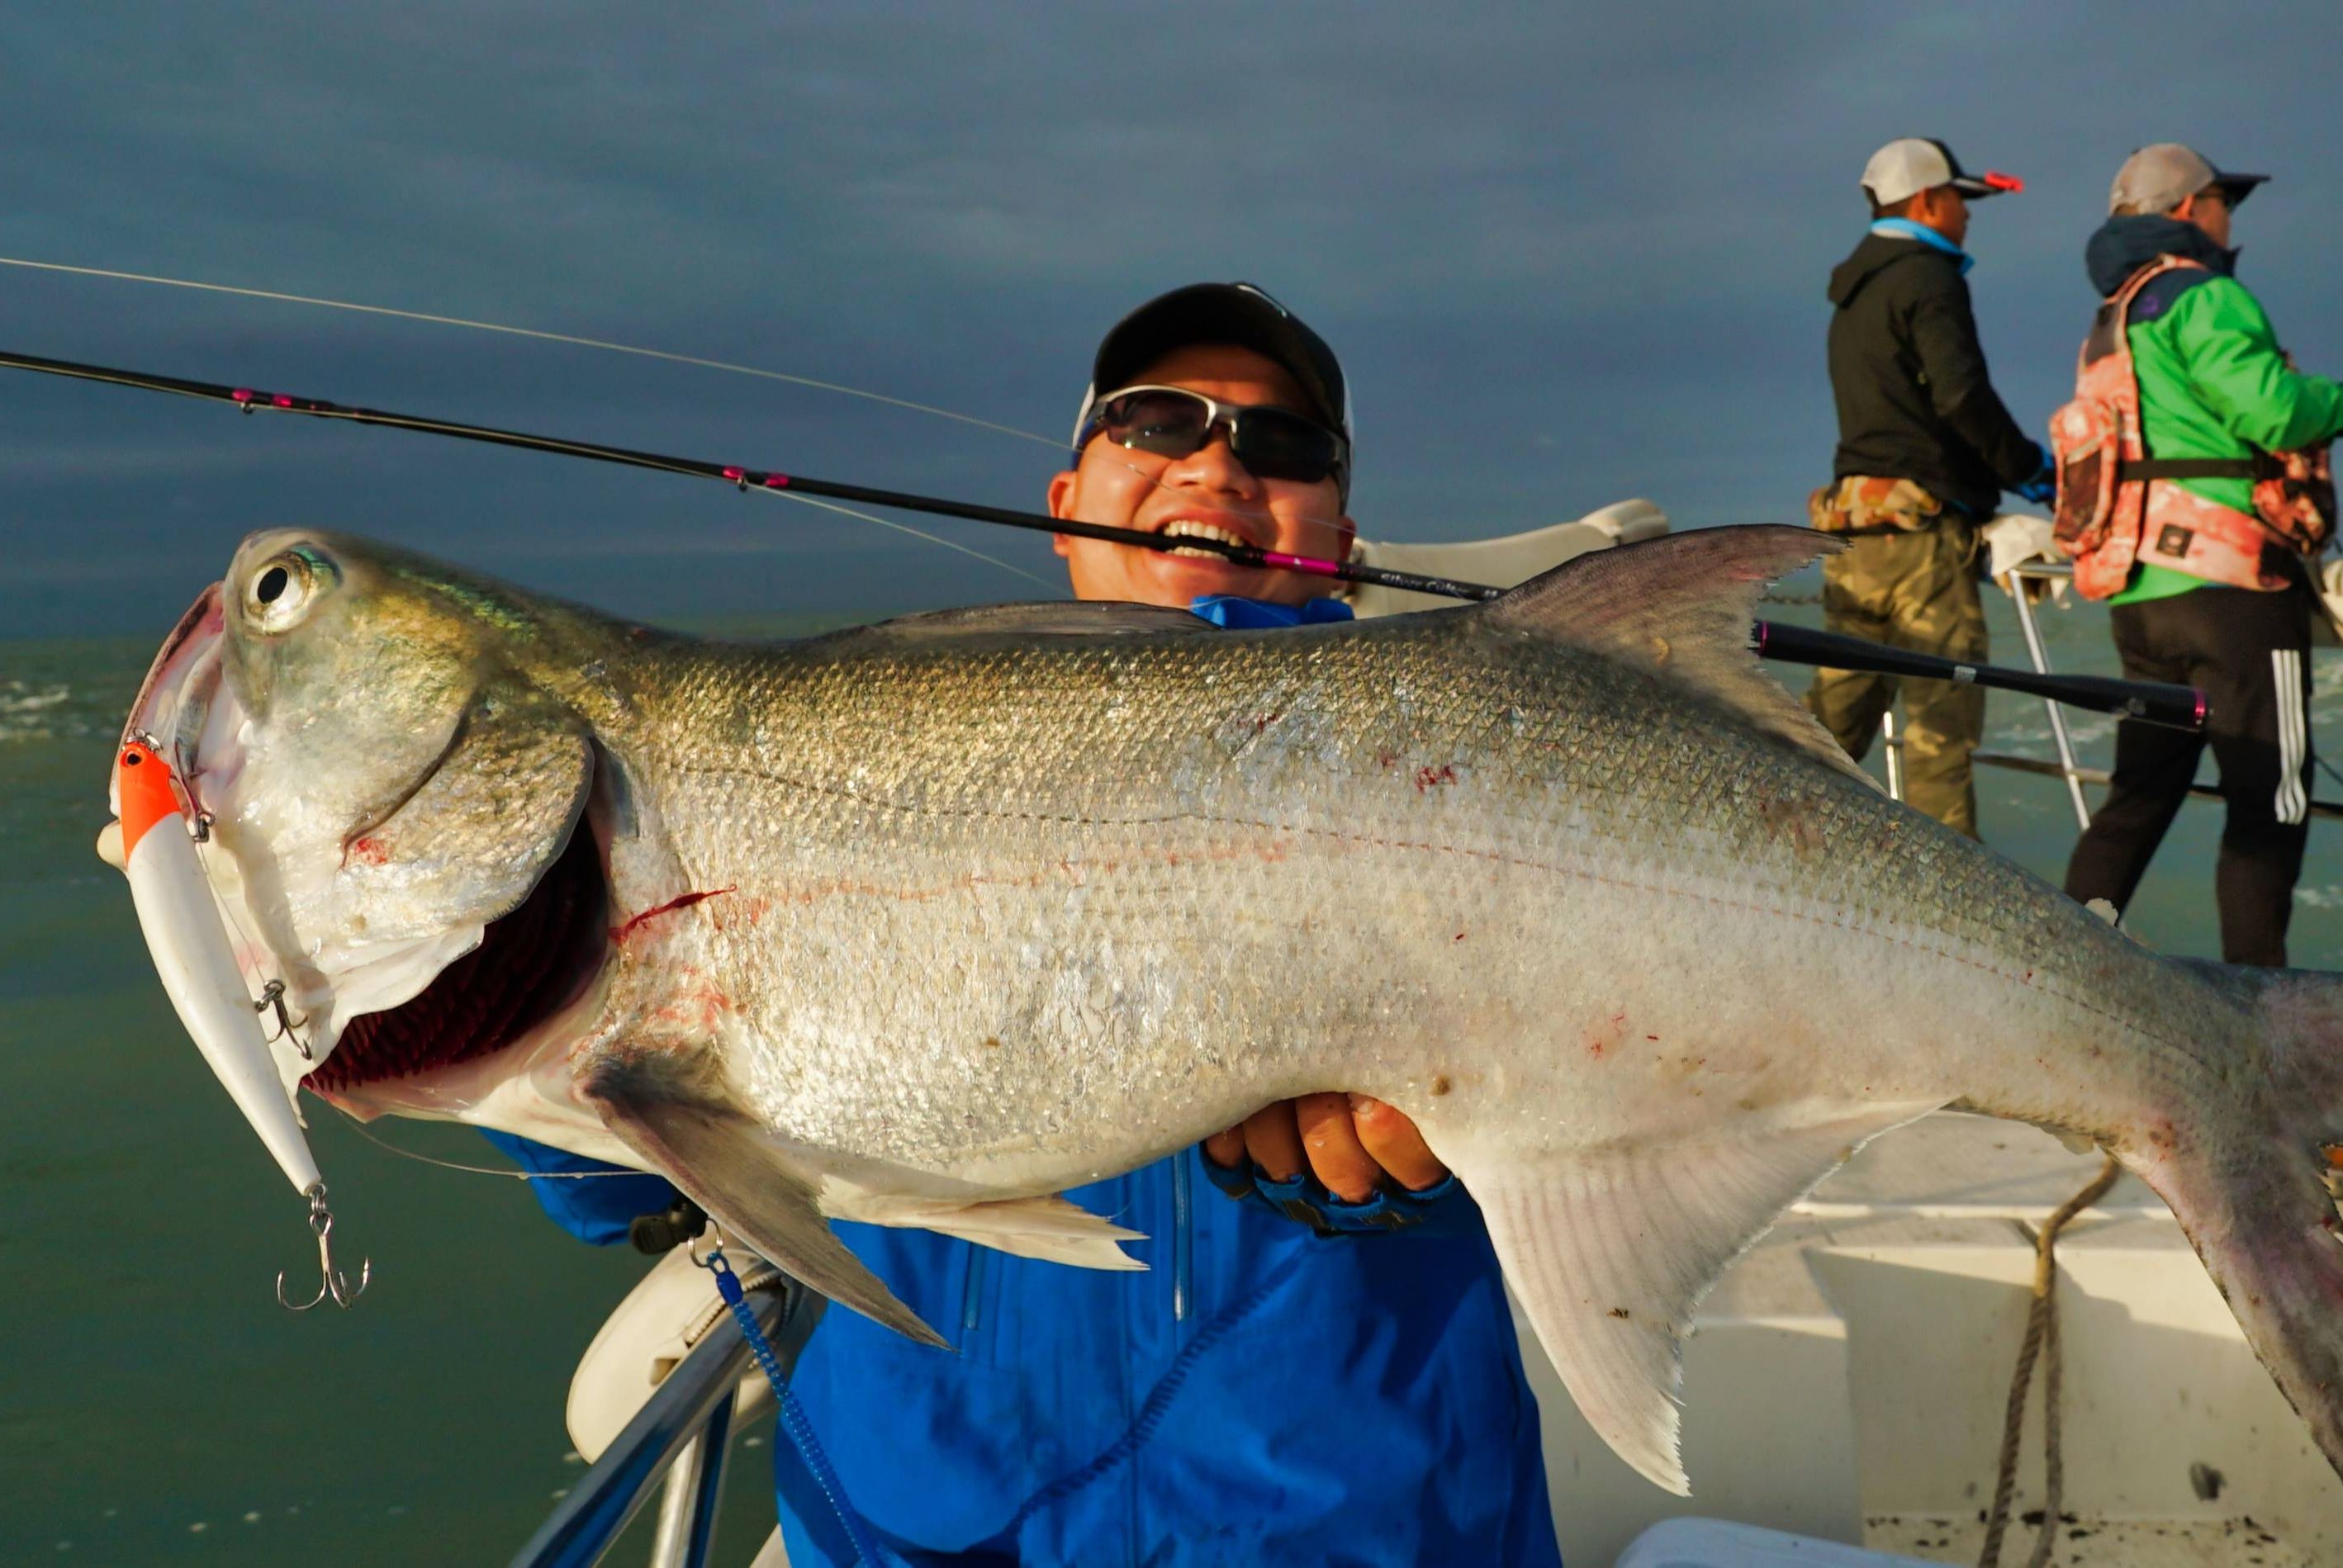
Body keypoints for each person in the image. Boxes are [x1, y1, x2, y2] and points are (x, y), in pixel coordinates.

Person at [493, 282, 1559, 1567]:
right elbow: (615, 1183)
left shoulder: (1476, 764)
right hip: (909, 1536)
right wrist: (498, 1000)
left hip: (1360, 1534)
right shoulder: (849, 743)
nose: (1217, 460)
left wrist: (1456, 1131)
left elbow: (1638, 1107)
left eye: (1283, 446)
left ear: (1338, 529)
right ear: (1063, 506)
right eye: (1156, 420)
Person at [2057, 146, 2343, 967]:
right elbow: (2273, 411)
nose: (2230, 220)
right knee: (2270, 801)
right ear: (2188, 210)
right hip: (2231, 586)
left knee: (2137, 797)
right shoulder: (2204, 295)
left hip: (2138, 591)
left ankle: (2057, 975)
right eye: (2224, 202)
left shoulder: (2110, 318)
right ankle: (2259, 1013)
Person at [1805, 137, 2053, 838]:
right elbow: (1962, 397)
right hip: (1923, 537)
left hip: (1856, 530)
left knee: (1824, 730)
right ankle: (1947, 921)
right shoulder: (1930, 277)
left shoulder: (1851, 293)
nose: (1969, 217)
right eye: (1962, 202)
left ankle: (1760, 859)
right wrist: (2031, 472)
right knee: (1940, 734)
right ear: (1927, 202)